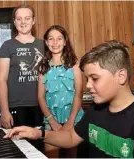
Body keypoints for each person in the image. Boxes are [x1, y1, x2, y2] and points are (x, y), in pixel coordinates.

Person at [4, 40, 134, 158]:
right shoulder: (97, 109)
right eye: (87, 79)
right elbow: (72, 137)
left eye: (94, 78)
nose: (88, 85)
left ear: (121, 76)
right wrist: (38, 133)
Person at [0, 4, 44, 150]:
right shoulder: (7, 46)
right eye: (19, 19)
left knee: (38, 150)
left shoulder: (44, 45)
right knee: (18, 150)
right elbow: (0, 80)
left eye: (27, 18)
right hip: (16, 106)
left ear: (33, 20)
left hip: (41, 107)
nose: (23, 22)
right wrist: (4, 111)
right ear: (15, 22)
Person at [37, 25, 84, 158]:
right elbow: (40, 97)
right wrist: (51, 121)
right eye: (51, 39)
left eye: (59, 39)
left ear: (65, 41)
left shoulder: (74, 64)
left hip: (73, 119)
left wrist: (70, 122)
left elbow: (78, 93)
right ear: (46, 42)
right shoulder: (43, 67)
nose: (55, 42)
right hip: (51, 119)